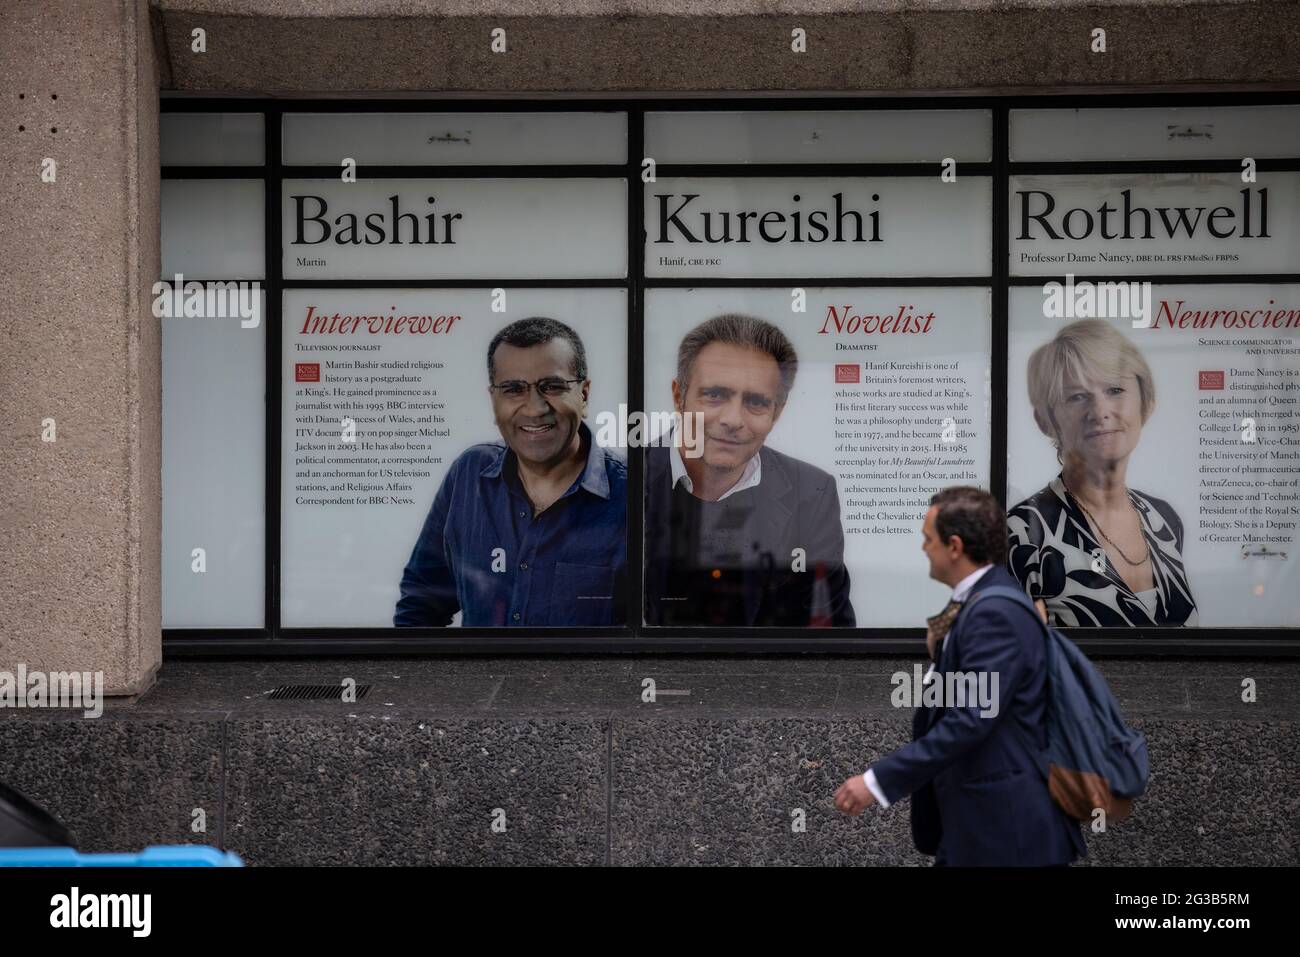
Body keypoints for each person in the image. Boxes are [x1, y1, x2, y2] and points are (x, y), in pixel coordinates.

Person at [834, 486, 1085, 866]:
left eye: (927, 539)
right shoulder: (982, 602)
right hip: (982, 827)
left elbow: (970, 719)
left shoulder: (994, 612)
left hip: (1005, 834)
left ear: (954, 546)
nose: (923, 549)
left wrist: (877, 782)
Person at [394, 317, 626, 627]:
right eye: (513, 389)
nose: (534, 408)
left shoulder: (638, 496)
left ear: (584, 394)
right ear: (494, 400)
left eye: (553, 386)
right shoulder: (468, 476)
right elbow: (420, 607)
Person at [643, 313, 854, 627]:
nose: (733, 419)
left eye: (755, 402)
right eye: (715, 395)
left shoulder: (812, 493)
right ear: (678, 396)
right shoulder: (625, 481)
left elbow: (828, 636)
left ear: (777, 412)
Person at [1007, 319, 1197, 627]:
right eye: (1076, 396)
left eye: (1115, 389)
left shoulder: (1164, 520)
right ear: (1045, 420)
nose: (1100, 411)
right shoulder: (1022, 533)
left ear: (1144, 401)